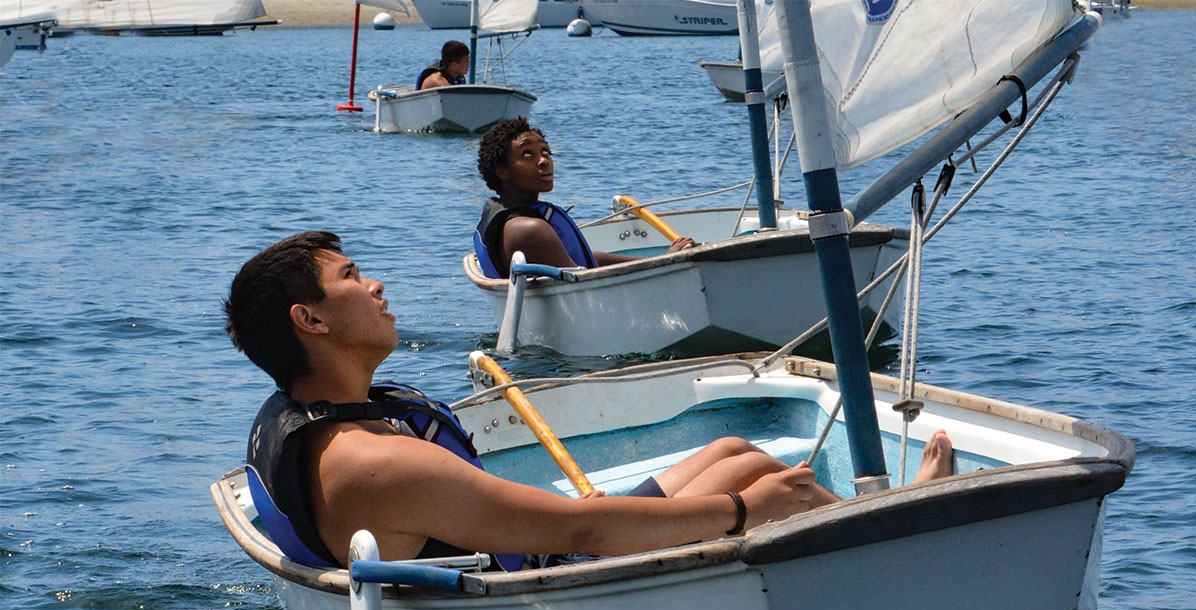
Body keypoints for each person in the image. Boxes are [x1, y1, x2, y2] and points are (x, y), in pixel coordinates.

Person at [225, 232, 939, 571]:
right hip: (557, 569)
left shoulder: (341, 416)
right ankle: (894, 534)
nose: (376, 285)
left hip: (544, 542)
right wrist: (751, 512)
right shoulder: (368, 464)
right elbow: (583, 534)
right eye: (352, 277)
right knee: (768, 486)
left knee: (732, 451)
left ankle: (860, 520)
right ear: (310, 322)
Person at [474, 116, 697, 279]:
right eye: (528, 154)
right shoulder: (529, 229)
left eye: (546, 151)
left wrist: (661, 259)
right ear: (502, 171)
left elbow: (590, 260)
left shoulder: (519, 217)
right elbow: (583, 281)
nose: (543, 160)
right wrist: (667, 265)